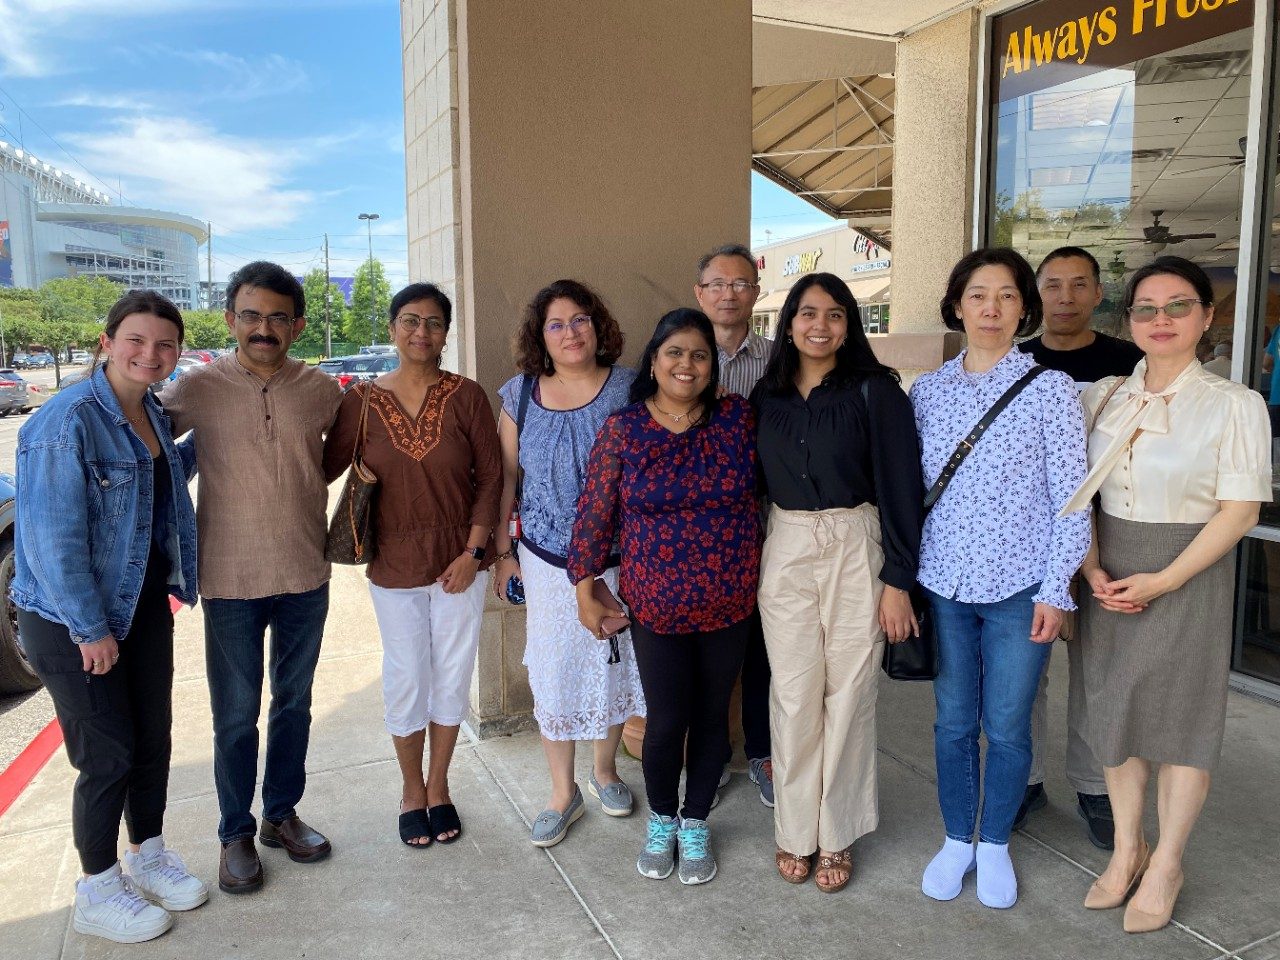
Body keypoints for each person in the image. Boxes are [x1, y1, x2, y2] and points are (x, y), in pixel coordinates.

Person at [1063, 256, 1270, 933]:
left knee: (1182, 726)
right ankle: (1128, 849)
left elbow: (1238, 512)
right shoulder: (1103, 395)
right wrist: (1090, 569)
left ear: (1206, 318)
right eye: (1147, 308)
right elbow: (1079, 496)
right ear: (1129, 322)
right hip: (1109, 570)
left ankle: (1169, 860)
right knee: (1113, 713)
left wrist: (1166, 578)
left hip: (1187, 572)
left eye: (1177, 306)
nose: (1161, 320)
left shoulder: (1234, 405)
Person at [13, 290, 206, 943]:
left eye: (164, 344)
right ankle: (98, 887)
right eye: (137, 341)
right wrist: (89, 628)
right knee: (108, 753)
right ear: (107, 342)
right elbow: (51, 541)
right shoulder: (64, 423)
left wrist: (210, 436)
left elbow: (154, 484)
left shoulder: (149, 411)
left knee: (153, 739)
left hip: (143, 605)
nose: (150, 354)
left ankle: (147, 856)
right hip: (76, 620)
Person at [910, 247, 1090, 910]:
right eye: (979, 295)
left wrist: (1056, 588)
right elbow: (912, 491)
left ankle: (994, 843)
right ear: (956, 305)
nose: (992, 308)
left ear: (1024, 307)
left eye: (1007, 295)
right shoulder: (927, 391)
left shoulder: (1051, 389)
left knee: (1009, 725)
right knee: (954, 720)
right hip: (944, 584)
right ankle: (957, 837)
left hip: (1022, 589)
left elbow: (1073, 497)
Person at [160, 262, 342, 894]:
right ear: (231, 318)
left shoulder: (321, 389)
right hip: (229, 578)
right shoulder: (196, 389)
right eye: (251, 315)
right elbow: (140, 435)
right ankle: (234, 829)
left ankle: (280, 815)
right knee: (235, 714)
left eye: (277, 317)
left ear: (295, 324)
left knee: (294, 703)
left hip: (304, 573)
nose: (264, 329)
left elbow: (345, 450)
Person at [568, 308, 760, 886]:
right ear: (654, 360)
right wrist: (585, 586)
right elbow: (595, 513)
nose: (687, 363)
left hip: (730, 599)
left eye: (699, 355)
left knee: (710, 719)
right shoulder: (625, 429)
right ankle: (662, 820)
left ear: (712, 367)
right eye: (675, 352)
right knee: (666, 717)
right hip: (656, 604)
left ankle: (696, 821)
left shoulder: (738, 420)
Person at [751, 272, 923, 893]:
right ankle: (795, 831)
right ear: (788, 322)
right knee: (795, 695)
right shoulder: (764, 398)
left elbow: (904, 490)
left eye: (834, 314)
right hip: (787, 542)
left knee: (849, 695)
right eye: (806, 313)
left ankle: (838, 833)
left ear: (849, 325)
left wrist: (899, 580)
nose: (819, 325)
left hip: (857, 541)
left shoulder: (876, 393)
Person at [323, 282, 501, 849]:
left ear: (446, 333)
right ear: (393, 327)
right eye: (409, 320)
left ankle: (441, 785)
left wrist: (475, 553)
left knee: (452, 673)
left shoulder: (467, 395)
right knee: (406, 676)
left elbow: (492, 478)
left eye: (432, 322)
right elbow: (322, 466)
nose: (421, 331)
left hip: (458, 562)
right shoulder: (362, 402)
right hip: (394, 563)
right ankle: (410, 791)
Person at [489, 280, 645, 847]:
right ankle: (562, 792)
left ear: (597, 326)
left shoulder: (630, 387)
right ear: (541, 336)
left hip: (618, 560)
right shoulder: (520, 395)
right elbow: (507, 480)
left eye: (580, 319)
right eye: (556, 324)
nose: (570, 332)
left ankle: (605, 772)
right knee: (554, 672)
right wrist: (503, 555)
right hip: (547, 562)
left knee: (610, 665)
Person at [1013, 246, 1143, 849]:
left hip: (1112, 533)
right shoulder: (1016, 362)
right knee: (1025, 668)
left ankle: (1094, 785)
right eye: (1054, 285)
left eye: (1079, 285)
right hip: (1030, 537)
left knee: (1098, 669)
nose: (1065, 297)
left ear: (1097, 294)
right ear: (1038, 294)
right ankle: (1027, 779)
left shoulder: (1131, 362)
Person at [692, 243, 774, 809]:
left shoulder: (778, 360)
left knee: (765, 650)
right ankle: (712, 754)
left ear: (756, 292)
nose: (728, 294)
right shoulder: (677, 357)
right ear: (699, 294)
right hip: (694, 540)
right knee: (707, 655)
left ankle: (764, 753)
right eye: (717, 285)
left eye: (740, 284)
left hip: (767, 527)